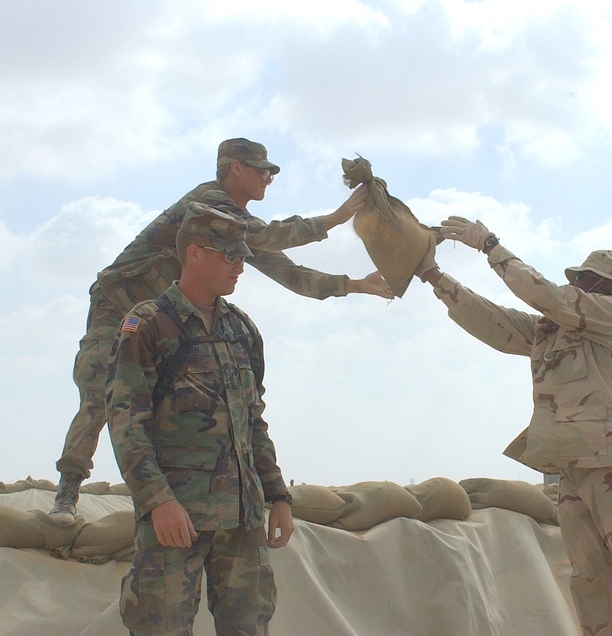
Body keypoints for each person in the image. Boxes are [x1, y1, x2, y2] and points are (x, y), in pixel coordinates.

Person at [49, 137, 392, 523]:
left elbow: (290, 274)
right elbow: (267, 236)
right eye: (263, 171)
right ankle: (68, 490)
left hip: (171, 314)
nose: (268, 179)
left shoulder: (233, 233)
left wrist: (356, 284)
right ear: (236, 169)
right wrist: (333, 218)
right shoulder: (208, 200)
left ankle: (177, 493)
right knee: (100, 392)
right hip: (119, 305)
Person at [416, 216, 612, 636]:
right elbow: (493, 322)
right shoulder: (550, 330)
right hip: (572, 469)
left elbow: (546, 296)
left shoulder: (610, 316)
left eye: (593, 284)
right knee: (590, 583)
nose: (588, 290)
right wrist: (432, 274)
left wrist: (489, 245)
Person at [107, 202, 294, 635]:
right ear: (195, 253)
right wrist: (158, 501)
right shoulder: (149, 326)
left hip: (242, 521)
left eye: (242, 258)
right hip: (177, 520)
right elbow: (125, 421)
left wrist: (278, 496)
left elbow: (253, 422)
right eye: (230, 256)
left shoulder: (241, 330)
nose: (240, 268)